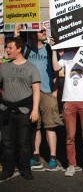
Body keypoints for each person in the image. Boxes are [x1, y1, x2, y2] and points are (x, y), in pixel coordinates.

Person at [14, 25, 63, 171]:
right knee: (35, 126)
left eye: (44, 30)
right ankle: (35, 157)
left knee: (50, 126)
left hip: (47, 91)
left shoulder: (49, 48)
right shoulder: (27, 49)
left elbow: (56, 71)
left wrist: (55, 91)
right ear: (33, 34)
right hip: (30, 93)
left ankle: (53, 158)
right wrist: (17, 33)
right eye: (40, 31)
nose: (44, 32)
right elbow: (14, 53)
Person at [51, 42, 83, 177]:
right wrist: (54, 49)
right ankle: (71, 165)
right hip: (69, 99)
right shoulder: (67, 56)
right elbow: (56, 66)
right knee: (70, 136)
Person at [0, 37, 40, 180]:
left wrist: (35, 110)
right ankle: (7, 169)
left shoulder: (31, 68)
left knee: (24, 142)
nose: (7, 50)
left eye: (10, 48)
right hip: (6, 110)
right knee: (7, 142)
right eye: (7, 48)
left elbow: (36, 90)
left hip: (24, 111)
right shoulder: (3, 67)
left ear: (19, 49)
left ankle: (25, 169)